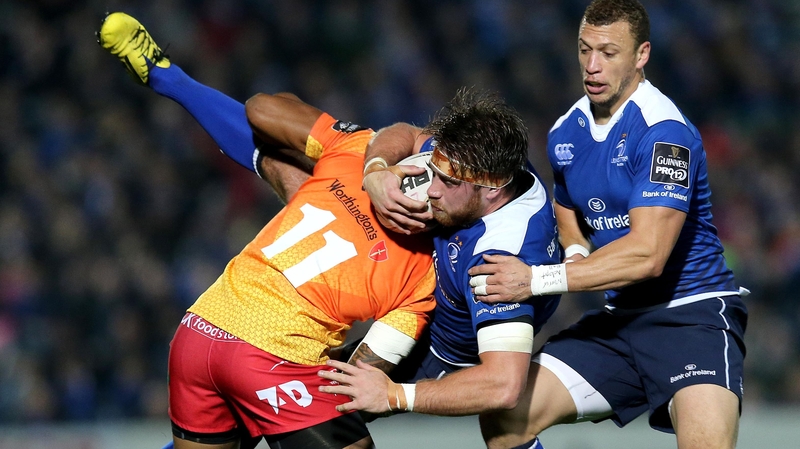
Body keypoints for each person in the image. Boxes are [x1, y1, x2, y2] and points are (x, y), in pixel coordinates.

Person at [98, 12, 438, 449]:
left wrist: (361, 149)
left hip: (198, 331)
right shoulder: (422, 276)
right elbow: (360, 373)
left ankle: (169, 76)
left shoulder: (358, 151)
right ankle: (168, 77)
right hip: (268, 358)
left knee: (285, 158)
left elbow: (260, 108)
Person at [466, 1, 748, 448]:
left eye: (609, 53)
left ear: (641, 55)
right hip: (619, 324)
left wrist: (537, 280)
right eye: (584, 50)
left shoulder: (664, 132)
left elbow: (648, 255)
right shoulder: (564, 133)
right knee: (505, 416)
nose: (592, 66)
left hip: (691, 319)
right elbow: (568, 209)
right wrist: (576, 250)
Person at [318, 89, 562, 430]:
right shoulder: (484, 157)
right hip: (416, 292)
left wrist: (396, 396)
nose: (432, 189)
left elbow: (504, 385)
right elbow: (405, 133)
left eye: (446, 182)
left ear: (492, 188)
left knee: (319, 411)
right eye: (434, 173)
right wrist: (375, 171)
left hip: (434, 351)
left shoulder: (499, 261)